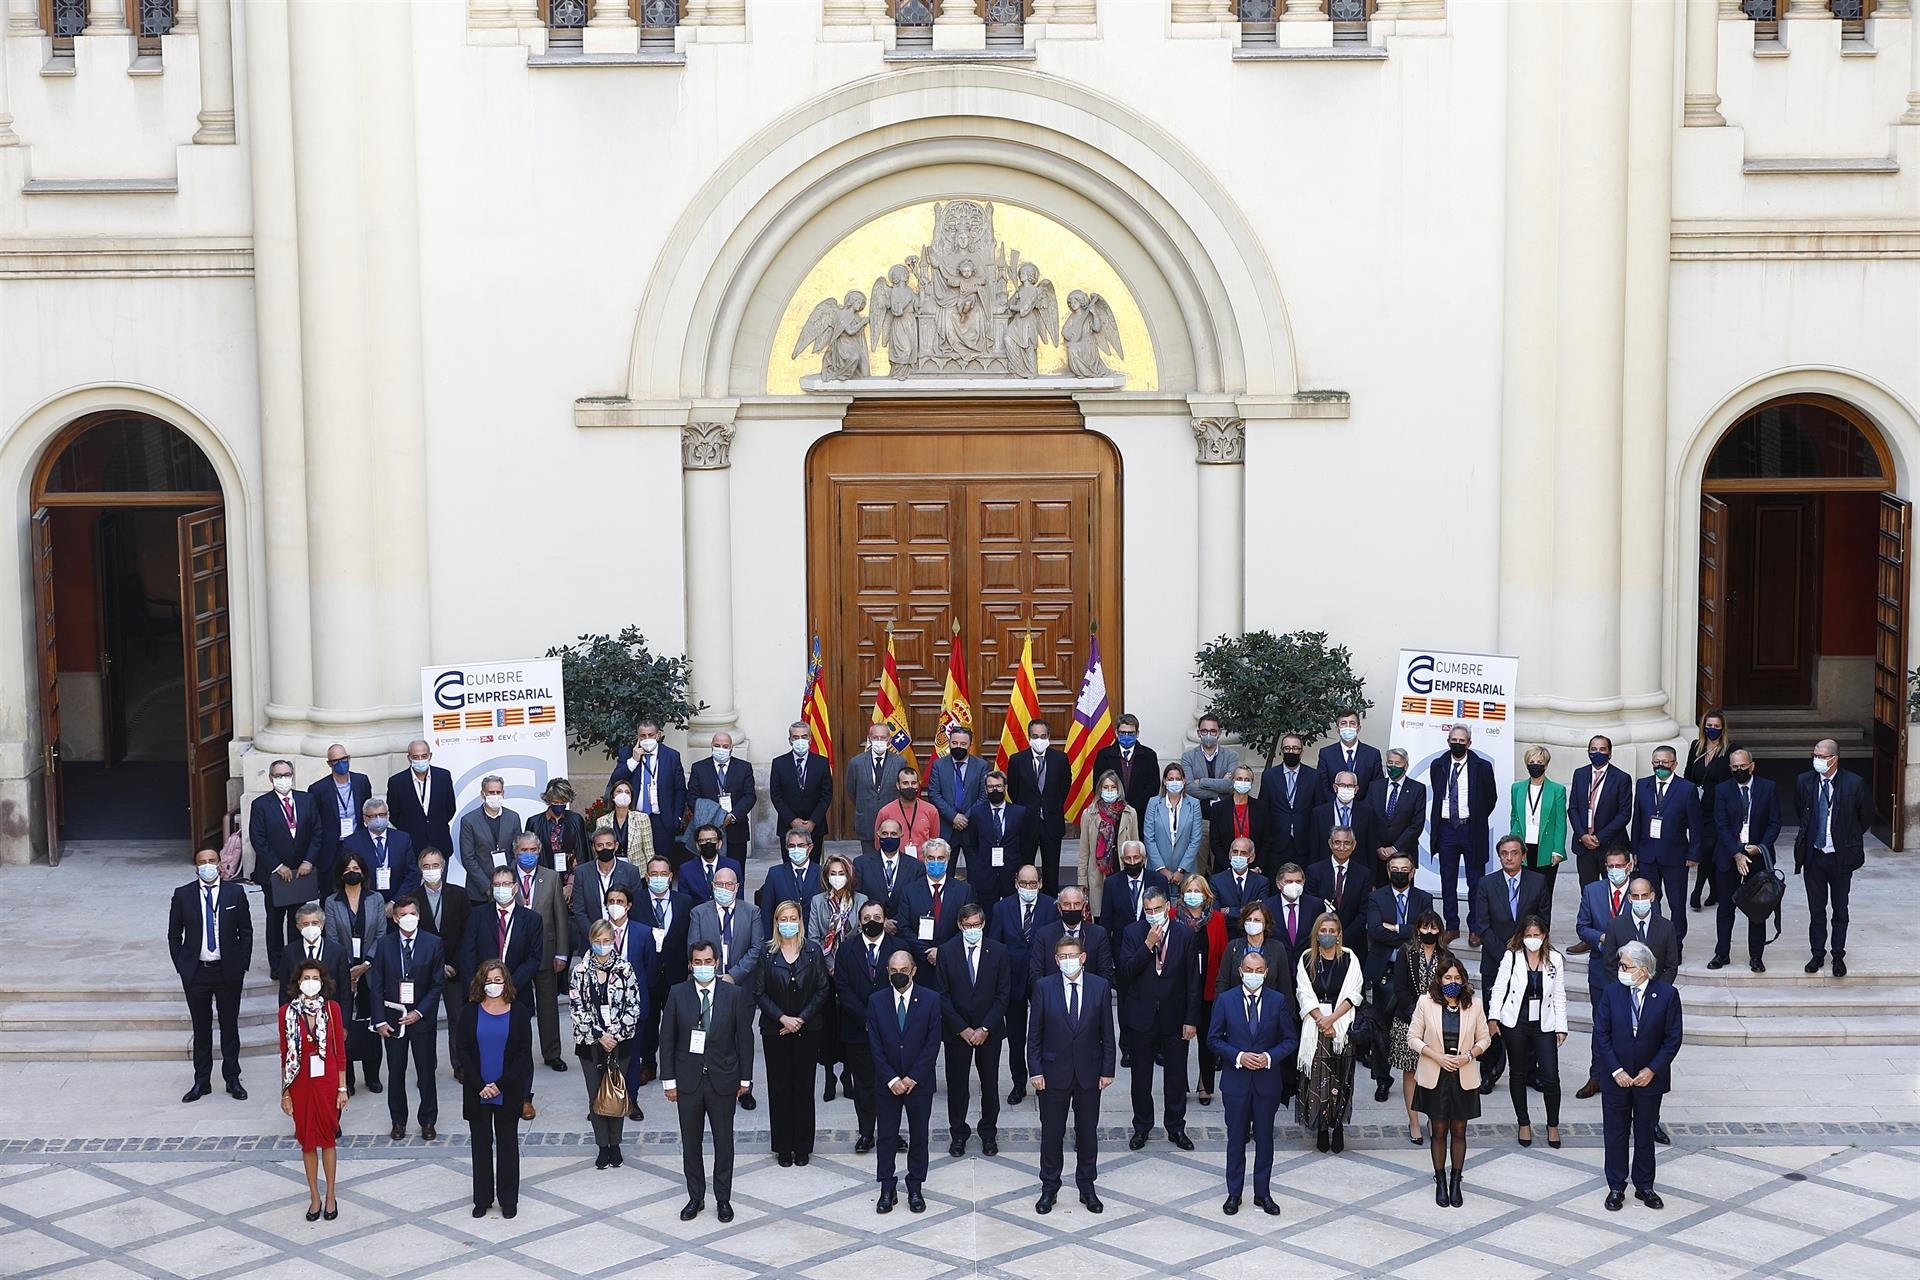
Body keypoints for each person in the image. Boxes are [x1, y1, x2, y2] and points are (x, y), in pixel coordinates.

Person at [661, 941, 755, 1222]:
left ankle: (723, 1198)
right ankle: (695, 1196)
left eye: (708, 961)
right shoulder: (678, 994)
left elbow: (744, 1040)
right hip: (688, 1081)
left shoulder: (733, 994)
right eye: (697, 962)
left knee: (724, 1143)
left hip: (723, 1080)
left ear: (717, 963)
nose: (703, 967)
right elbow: (667, 1039)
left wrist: (745, 1078)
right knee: (691, 1143)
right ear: (691, 965)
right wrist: (669, 1081)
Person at [1027, 935, 1116, 1215]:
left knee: (1087, 1133)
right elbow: (1035, 1035)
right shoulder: (1043, 987)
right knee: (1051, 1133)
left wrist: (1107, 1070)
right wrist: (1036, 1070)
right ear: (1056, 960)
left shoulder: (1099, 987)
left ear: (1083, 958)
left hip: (1089, 1073)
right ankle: (1049, 1188)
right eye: (1062, 957)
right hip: (1053, 1074)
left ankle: (1087, 1187)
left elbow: (1107, 1033)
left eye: (1072, 956)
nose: (1068, 962)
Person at [1595, 940, 1683, 1212]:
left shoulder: (1667, 995)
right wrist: (1616, 1070)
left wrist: (1652, 1069)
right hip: (1616, 1078)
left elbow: (1672, 1038)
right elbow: (1602, 1034)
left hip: (1649, 1079)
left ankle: (1644, 1185)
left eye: (1626, 966)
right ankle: (1616, 1186)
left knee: (1644, 1133)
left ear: (1643, 970)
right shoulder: (1612, 992)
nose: (1621, 969)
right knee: (1615, 1133)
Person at [1209, 950, 1298, 1216]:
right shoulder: (1225, 1000)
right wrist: (1238, 1057)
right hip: (1236, 1083)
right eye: (1249, 970)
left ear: (1266, 972)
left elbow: (1289, 1039)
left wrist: (1269, 1058)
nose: (1254, 975)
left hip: (1266, 1083)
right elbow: (1213, 1039)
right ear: (1240, 971)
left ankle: (1263, 1193)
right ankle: (1233, 1193)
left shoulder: (1277, 1000)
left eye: (1259, 971)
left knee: (1264, 1139)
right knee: (1236, 1139)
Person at [1118, 886, 1202, 1150]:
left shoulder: (1185, 934)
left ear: (1168, 906)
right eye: (1148, 910)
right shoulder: (1132, 932)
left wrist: (1191, 1019)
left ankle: (1176, 1127)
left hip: (1174, 1017)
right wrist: (1147, 946)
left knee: (1176, 1076)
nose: (1153, 915)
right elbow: (1126, 971)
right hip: (1141, 1017)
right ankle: (1142, 1127)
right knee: (1141, 1077)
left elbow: (1193, 981)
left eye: (1157, 909)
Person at [169, 846, 254, 1102]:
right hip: (197, 972)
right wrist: (183, 967)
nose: (207, 865)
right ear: (196, 867)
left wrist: (242, 964)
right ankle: (201, 1081)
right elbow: (174, 935)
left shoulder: (234, 893)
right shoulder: (183, 895)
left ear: (219, 863)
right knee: (201, 1028)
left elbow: (246, 931)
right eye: (202, 862)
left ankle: (232, 1078)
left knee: (229, 1026)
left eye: (211, 860)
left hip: (227, 970)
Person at [1407, 953, 1491, 1206]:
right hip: (1436, 1074)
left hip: (1463, 1074)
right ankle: (1440, 1180)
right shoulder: (1425, 1002)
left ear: (1463, 980)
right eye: (1447, 977)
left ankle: (1456, 1180)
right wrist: (1437, 1056)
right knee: (1439, 1130)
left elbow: (1485, 1039)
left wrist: (1467, 1056)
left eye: (1457, 977)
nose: (1452, 981)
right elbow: (1413, 1037)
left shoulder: (1474, 1004)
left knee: (1459, 1130)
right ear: (1439, 979)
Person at [462, 866, 545, 1119]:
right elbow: (468, 952)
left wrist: (508, 986)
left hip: (517, 994)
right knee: (488, 1046)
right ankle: (486, 1089)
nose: (501, 888)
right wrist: (480, 988)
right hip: (483, 995)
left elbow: (533, 958)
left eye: (506, 883)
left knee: (520, 1049)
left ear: (515, 887)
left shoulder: (531, 919)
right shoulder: (477, 916)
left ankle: (523, 1098)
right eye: (496, 883)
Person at [455, 960, 535, 1220]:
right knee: (480, 1145)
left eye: (498, 980)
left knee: (508, 1145)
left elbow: (523, 1055)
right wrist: (481, 1085)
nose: (493, 985)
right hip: (477, 1091)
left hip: (507, 1090)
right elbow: (463, 1050)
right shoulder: (469, 1012)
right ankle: (482, 1199)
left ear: (506, 982)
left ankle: (508, 1199)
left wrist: (499, 1085)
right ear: (481, 983)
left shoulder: (519, 1012)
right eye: (488, 980)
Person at [755, 899, 829, 1166]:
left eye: (792, 919)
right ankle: (783, 1146)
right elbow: (759, 991)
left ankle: (803, 1145)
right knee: (779, 1088)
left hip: (807, 1029)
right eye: (782, 919)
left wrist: (801, 1018)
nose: (788, 924)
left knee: (803, 1086)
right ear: (776, 923)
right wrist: (782, 1018)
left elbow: (823, 989)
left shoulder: (812, 951)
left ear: (800, 921)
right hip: (775, 1030)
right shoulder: (767, 953)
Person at [870, 948, 942, 1214]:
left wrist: (912, 1078)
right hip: (887, 1084)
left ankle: (915, 1186)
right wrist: (891, 1079)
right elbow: (875, 1045)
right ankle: (887, 1187)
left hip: (918, 1084)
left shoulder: (931, 999)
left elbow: (932, 1044)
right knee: (887, 1136)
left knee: (919, 1136)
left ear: (913, 970)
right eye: (893, 971)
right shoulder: (877, 1001)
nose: (898, 975)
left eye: (903, 970)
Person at [1795, 738, 1873, 977]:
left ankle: (1838, 954)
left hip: (1840, 858)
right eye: (1815, 755)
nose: (1816, 760)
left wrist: (1846, 838)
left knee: (1840, 909)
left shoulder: (1853, 783)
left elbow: (1865, 816)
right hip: (1814, 856)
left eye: (1821, 756)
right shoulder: (1805, 781)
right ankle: (1817, 953)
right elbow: (1802, 812)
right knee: (1816, 910)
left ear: (1834, 759)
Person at [1488, 914, 1568, 1148]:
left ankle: (1552, 1124)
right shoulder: (1511, 957)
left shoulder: (1554, 959)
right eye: (1528, 935)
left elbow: (1560, 995)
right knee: (1518, 1073)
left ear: (1544, 936)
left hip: (1544, 1023)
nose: (1533, 939)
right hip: (1516, 1022)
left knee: (1551, 1076)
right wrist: (1494, 1018)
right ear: (1522, 936)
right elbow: (1499, 988)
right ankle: (1523, 1122)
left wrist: (1561, 1027)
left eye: (1537, 935)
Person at [836, 900, 908, 1154]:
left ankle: (892, 1132)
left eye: (877, 917)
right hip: (858, 1029)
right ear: (859, 921)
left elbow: (903, 987)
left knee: (892, 1081)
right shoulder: (846, 949)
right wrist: (866, 1018)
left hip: (892, 1030)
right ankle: (866, 1132)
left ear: (885, 919)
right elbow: (843, 989)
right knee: (864, 1084)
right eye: (867, 918)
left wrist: (883, 1020)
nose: (872, 922)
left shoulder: (898, 948)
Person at [939, 903, 1011, 1157]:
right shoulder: (947, 952)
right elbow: (943, 996)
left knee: (989, 1084)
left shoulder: (999, 951)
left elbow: (1003, 995)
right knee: (957, 1086)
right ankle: (958, 1133)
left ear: (983, 924)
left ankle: (988, 1133)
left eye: (977, 925)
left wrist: (984, 1028)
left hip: (988, 1032)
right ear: (960, 925)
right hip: (956, 1033)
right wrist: (962, 1029)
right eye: (968, 926)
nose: (973, 930)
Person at [368, 896, 442, 1141]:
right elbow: (376, 984)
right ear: (396, 917)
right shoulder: (385, 944)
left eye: (413, 913)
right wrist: (379, 1020)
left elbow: (436, 984)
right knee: (396, 1072)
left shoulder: (433, 943)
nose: (408, 918)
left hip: (421, 1019)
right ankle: (398, 1121)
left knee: (425, 1072)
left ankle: (428, 1120)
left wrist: (419, 1012)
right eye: (403, 914)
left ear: (419, 915)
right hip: (393, 1022)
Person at [280, 958, 347, 1221]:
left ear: (323, 982)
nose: (310, 983)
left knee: (328, 1137)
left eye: (315, 978)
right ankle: (314, 1196)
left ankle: (330, 1194)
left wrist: (342, 1088)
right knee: (307, 1140)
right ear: (298, 983)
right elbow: (285, 1054)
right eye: (306, 978)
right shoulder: (286, 1012)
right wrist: (284, 1092)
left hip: (327, 1081)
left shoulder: (332, 1009)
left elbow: (339, 1052)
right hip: (300, 1082)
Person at [1363, 851, 1434, 1102]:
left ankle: (1420, 1077)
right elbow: (1374, 931)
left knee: (1415, 1028)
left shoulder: (1424, 898)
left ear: (1413, 871)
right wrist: (1407, 931)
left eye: (1405, 868)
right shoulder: (1376, 897)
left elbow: (1426, 931)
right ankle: (1383, 1079)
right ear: (1388, 871)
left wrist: (1393, 928)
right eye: (1395, 868)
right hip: (1386, 973)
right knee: (1382, 1030)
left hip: (1416, 974)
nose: (1399, 872)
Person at [572, 919, 643, 1169]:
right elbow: (577, 1008)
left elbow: (633, 1007)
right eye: (597, 941)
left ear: (614, 941)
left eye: (606, 941)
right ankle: (602, 1146)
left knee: (616, 1092)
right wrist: (599, 1034)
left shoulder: (625, 969)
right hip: (590, 1044)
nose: (602, 946)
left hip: (619, 1043)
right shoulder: (580, 971)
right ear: (591, 942)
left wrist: (614, 1035)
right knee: (596, 1096)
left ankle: (616, 1145)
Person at [1294, 911, 1363, 1153]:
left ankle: (1339, 1126)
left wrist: (1333, 1019)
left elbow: (1354, 993)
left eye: (1331, 931)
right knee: (1317, 1077)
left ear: (1339, 934)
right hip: (1316, 1025)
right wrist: (1321, 1020)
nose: (1327, 935)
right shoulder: (1306, 958)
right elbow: (1303, 992)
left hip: (1341, 1026)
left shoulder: (1349, 958)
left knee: (1341, 1077)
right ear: (1316, 933)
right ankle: (1322, 1126)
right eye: (1322, 931)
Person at [989, 865, 1058, 1104]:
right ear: (1016, 883)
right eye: (1023, 883)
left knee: (1045, 1033)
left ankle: (1044, 1080)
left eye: (1033, 883)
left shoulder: (1051, 907)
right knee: (1017, 1036)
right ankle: (1019, 1083)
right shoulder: (1002, 908)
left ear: (1040, 884)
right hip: (1012, 980)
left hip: (1043, 980)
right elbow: (995, 946)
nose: (1028, 887)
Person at [249, 759, 320, 981]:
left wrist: (308, 861)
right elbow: (258, 839)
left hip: (301, 873)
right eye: (278, 775)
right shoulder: (261, 805)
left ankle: (298, 963)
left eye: (287, 774)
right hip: (274, 875)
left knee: (297, 919)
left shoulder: (307, 800)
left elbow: (317, 832)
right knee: (275, 919)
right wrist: (278, 866)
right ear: (271, 778)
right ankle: (278, 965)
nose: (283, 779)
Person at [323, 849, 387, 1095]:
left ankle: (372, 1076)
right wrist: (348, 969)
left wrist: (366, 965)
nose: (353, 873)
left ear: (364, 872)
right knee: (345, 1023)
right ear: (341, 874)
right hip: (343, 972)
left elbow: (381, 935)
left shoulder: (376, 899)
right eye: (348, 869)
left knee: (372, 1023)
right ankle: (347, 1078)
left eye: (356, 869)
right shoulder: (331, 901)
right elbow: (332, 937)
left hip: (371, 970)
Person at [506, 832, 571, 1074]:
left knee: (548, 1006)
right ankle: (516, 1052)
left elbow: (560, 917)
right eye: (524, 850)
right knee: (516, 1006)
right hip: (515, 955)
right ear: (515, 852)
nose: (529, 854)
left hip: (546, 951)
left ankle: (552, 1053)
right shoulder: (506, 877)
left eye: (533, 850)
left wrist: (562, 953)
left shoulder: (551, 877)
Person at [1711, 749, 1781, 972]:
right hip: (1729, 856)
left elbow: (1774, 822)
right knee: (1725, 908)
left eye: (1742, 766)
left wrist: (1759, 848)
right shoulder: (1722, 790)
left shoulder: (1768, 787)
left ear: (1752, 765)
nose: (1739, 770)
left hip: (1757, 856)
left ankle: (1756, 956)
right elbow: (1720, 824)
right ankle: (1722, 953)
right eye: (1734, 767)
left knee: (1757, 909)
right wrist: (1737, 853)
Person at [1629, 746, 1703, 955]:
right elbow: (1638, 820)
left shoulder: (1686, 788)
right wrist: (1634, 850)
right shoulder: (1643, 785)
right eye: (1656, 762)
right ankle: (1654, 943)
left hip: (1676, 857)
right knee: (1650, 902)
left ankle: (1676, 946)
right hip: (1647, 855)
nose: (1660, 766)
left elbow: (1695, 825)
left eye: (1665, 762)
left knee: (1677, 904)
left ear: (1674, 764)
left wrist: (1694, 854)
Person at [1573, 848, 1634, 1099]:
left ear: (1629, 866)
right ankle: (1596, 1075)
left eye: (1619, 866)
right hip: (1600, 970)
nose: (1614, 871)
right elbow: (1582, 926)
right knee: (1601, 1024)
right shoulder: (1593, 891)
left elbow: (1653, 927)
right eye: (1610, 866)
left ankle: (1627, 1074)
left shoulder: (1640, 891)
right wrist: (1600, 938)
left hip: (1631, 971)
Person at [1428, 725, 1496, 945]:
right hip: (1447, 829)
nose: (1457, 743)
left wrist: (1474, 818)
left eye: (1462, 740)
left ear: (1469, 743)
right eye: (1453, 739)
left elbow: (1490, 798)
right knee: (1447, 880)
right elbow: (1438, 793)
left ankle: (1475, 928)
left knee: (1475, 881)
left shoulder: (1482, 766)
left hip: (1470, 829)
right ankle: (1452, 926)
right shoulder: (1438, 765)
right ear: (1448, 741)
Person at [408, 849, 469, 1081]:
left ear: (443, 867)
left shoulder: (459, 895)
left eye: (435, 865)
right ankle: (426, 1068)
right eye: (427, 866)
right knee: (424, 1022)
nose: (431, 870)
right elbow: (411, 936)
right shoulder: (412, 898)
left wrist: (452, 964)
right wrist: (436, 965)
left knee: (458, 1019)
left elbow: (467, 934)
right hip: (424, 970)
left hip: (455, 970)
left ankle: (460, 1065)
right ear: (420, 868)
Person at [1389, 910, 1447, 1145]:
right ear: (1417, 929)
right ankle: (1413, 1121)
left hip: (1438, 1023)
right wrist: (1418, 1015)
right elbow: (1400, 987)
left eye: (1434, 928)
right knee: (1411, 1072)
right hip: (1409, 1020)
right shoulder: (1406, 952)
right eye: (1425, 928)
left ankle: (1434, 1118)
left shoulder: (1446, 955)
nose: (1429, 932)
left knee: (1436, 1073)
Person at [636, 855, 693, 1086]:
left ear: (670, 877)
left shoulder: (684, 902)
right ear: (647, 876)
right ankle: (648, 1064)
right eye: (654, 874)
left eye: (663, 874)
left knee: (676, 1023)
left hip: (675, 972)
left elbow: (689, 936)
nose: (658, 878)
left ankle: (674, 1066)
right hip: (647, 971)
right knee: (648, 1022)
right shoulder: (636, 901)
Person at [1473, 835, 1550, 997]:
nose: (1509, 858)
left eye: (1514, 853)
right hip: (1494, 961)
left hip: (1530, 958)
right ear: (1499, 856)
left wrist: (1525, 952)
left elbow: (1543, 921)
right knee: (1494, 1014)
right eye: (1504, 853)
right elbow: (1482, 925)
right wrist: (1506, 956)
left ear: (1523, 855)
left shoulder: (1538, 882)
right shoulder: (1486, 884)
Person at [1178, 874, 1229, 1107]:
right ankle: (1179, 1085)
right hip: (1180, 991)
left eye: (1198, 891)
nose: (1193, 895)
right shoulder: (1172, 917)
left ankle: (1205, 1085)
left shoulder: (1217, 919)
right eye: (1189, 890)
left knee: (1208, 1041)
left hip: (1209, 988)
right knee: (1178, 1041)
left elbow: (1222, 956)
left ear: (1206, 895)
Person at [1006, 718, 1072, 895]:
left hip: (1052, 822)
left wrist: (1049, 807)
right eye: (1035, 736)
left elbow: (1064, 788)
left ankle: (1050, 905)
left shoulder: (1060, 759)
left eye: (1043, 736)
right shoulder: (1017, 760)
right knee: (1025, 866)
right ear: (1029, 737)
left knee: (1052, 869)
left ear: (1049, 736)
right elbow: (1014, 791)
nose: (1039, 739)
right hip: (1027, 823)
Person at [604, 720, 687, 856]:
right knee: (636, 862)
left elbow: (680, 789)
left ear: (658, 735)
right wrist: (634, 760)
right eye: (643, 736)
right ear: (637, 736)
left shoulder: (671, 756)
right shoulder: (627, 753)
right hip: (635, 818)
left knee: (661, 861)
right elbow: (616, 780)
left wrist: (676, 818)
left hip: (662, 819)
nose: (647, 739)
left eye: (651, 735)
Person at [1569, 736, 1634, 895]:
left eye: (1602, 749)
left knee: (1613, 893)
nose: (1597, 753)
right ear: (1588, 752)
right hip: (1584, 846)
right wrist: (1583, 835)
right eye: (1593, 749)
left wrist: (1599, 837)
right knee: (1588, 892)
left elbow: (1624, 814)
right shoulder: (1580, 774)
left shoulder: (1621, 778)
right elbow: (1573, 808)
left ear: (1610, 753)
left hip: (1611, 847)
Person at [1685, 710, 1736, 911]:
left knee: (1707, 849)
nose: (1712, 729)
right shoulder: (1696, 747)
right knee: (1707, 849)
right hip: (1698, 808)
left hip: (1719, 810)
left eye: (1716, 726)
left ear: (1722, 728)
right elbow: (1689, 775)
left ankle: (1697, 891)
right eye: (1709, 725)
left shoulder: (1730, 750)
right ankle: (1715, 890)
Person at [1305, 827, 1373, 975]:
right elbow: (1311, 908)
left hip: (1353, 944)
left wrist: (1342, 938)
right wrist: (1326, 935)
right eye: (1337, 842)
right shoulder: (1314, 871)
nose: (1341, 847)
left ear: (1354, 845)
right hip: (1321, 943)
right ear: (1330, 844)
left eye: (1346, 843)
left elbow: (1364, 912)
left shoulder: (1364, 874)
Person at [1509, 745, 1568, 914]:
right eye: (1531, 761)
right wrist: (1513, 843)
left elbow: (1560, 823)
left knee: (1544, 892)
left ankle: (1542, 933)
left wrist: (1558, 850)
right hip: (1523, 846)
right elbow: (1514, 817)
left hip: (1546, 847)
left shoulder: (1557, 790)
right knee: (1522, 892)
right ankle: (1522, 932)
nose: (1535, 765)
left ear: (1546, 765)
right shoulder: (1516, 788)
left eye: (1539, 762)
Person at [901, 838, 974, 969]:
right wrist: (927, 952)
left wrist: (942, 951)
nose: (936, 862)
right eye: (931, 858)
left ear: (947, 859)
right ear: (924, 859)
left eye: (940, 858)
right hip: (920, 962)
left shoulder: (963, 890)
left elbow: (967, 926)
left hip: (953, 961)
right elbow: (904, 927)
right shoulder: (909, 891)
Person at [1260, 734, 1327, 875]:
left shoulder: (1314, 776)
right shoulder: (1269, 776)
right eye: (1287, 748)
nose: (1291, 752)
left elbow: (1320, 809)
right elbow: (1263, 809)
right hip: (1276, 843)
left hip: (1304, 843)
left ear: (1302, 751)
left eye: (1296, 748)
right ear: (1281, 751)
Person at [309, 743, 372, 892]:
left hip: (358, 842)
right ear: (329, 764)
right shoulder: (318, 789)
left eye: (344, 759)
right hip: (331, 847)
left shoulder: (361, 781)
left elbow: (366, 808)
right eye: (336, 761)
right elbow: (315, 821)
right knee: (330, 891)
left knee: (360, 888)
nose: (341, 763)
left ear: (349, 758)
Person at [388, 740, 455, 877]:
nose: (420, 760)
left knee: (440, 888)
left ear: (430, 755)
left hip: (440, 843)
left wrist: (435, 824)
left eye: (424, 756)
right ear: (409, 758)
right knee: (413, 890)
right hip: (412, 847)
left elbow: (450, 808)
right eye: (416, 757)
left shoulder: (443, 776)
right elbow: (394, 814)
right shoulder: (397, 782)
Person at [687, 732, 756, 866]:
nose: (721, 749)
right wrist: (712, 817)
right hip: (707, 831)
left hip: (736, 831)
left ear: (731, 748)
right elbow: (692, 797)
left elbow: (749, 796)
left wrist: (732, 816)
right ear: (712, 746)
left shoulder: (744, 767)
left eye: (725, 746)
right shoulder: (699, 768)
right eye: (717, 745)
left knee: (736, 872)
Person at [966, 768, 1029, 912]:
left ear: (1005, 788)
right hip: (986, 873)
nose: (995, 790)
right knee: (987, 914)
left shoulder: (1019, 812)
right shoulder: (976, 813)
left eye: (998, 786)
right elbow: (974, 842)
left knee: (1011, 913)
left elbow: (1025, 843)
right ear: (986, 789)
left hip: (1011, 871)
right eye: (991, 787)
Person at [1078, 769, 1138, 918]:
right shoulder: (1089, 814)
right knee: (1100, 915)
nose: (1109, 791)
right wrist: (1082, 878)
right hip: (1098, 871)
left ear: (1119, 790)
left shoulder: (1129, 813)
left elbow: (1137, 845)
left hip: (1122, 868)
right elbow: (1084, 849)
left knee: (1122, 914)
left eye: (1113, 787)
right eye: (1106, 787)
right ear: (1100, 789)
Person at [1183, 714, 1242, 864]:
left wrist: (1201, 781)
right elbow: (1189, 787)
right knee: (1199, 863)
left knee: (1222, 862)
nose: (1208, 735)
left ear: (1219, 733)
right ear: (1198, 733)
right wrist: (1218, 789)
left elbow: (1231, 786)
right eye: (1204, 731)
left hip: (1225, 818)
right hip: (1199, 818)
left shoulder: (1231, 756)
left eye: (1212, 731)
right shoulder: (1188, 757)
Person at [573, 829, 645, 950]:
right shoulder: (582, 872)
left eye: (609, 844)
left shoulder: (631, 871)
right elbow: (579, 910)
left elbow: (636, 906)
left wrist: (623, 934)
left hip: (624, 940)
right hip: (592, 941)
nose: (605, 848)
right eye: (600, 845)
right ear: (593, 848)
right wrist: (595, 936)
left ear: (616, 846)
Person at [342, 795, 417, 907]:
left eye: (382, 815)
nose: (378, 819)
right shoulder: (352, 843)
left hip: (398, 903)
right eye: (373, 816)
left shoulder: (402, 839)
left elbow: (412, 873)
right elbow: (349, 876)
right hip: (365, 904)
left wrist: (395, 902)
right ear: (365, 818)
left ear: (388, 815)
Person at [459, 775, 524, 903]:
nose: (495, 795)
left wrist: (506, 881)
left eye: (498, 792)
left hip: (508, 888)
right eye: (491, 792)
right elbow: (468, 858)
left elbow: (517, 852)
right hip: (479, 891)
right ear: (483, 794)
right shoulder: (469, 820)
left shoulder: (513, 817)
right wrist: (488, 888)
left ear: (503, 793)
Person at [1031, 886, 1113, 986]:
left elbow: (1105, 973)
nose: (1072, 908)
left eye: (1077, 904)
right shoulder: (1044, 935)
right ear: (1059, 907)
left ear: (1084, 907)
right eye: (1067, 904)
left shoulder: (1098, 934)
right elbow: (1036, 974)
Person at [695, 865, 764, 984]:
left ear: (736, 887)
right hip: (708, 982)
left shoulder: (752, 912)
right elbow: (694, 947)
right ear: (713, 886)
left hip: (743, 984)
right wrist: (714, 976)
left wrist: (734, 975)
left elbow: (756, 948)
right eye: (719, 884)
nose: (724, 888)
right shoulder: (698, 913)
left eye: (729, 884)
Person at [848, 723, 908, 857]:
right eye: (875, 737)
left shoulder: (899, 762)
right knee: (869, 863)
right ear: (869, 738)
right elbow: (852, 790)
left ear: (889, 739)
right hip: (866, 821)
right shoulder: (856, 763)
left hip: (892, 822)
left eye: (883, 737)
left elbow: (902, 790)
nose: (879, 741)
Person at [770, 721, 832, 847]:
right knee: (788, 865)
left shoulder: (822, 763)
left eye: (804, 737)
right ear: (790, 740)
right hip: (787, 826)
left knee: (813, 865)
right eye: (796, 737)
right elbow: (776, 795)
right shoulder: (779, 763)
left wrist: (813, 821)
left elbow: (826, 794)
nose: (800, 741)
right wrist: (792, 820)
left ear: (810, 739)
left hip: (814, 827)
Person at [1092, 713, 1160, 827]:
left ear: (1137, 734)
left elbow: (1153, 786)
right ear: (1117, 733)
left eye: (1131, 733)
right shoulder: (1104, 755)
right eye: (1123, 733)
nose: (1126, 736)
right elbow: (1098, 785)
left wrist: (1132, 806)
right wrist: (1117, 806)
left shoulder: (1149, 755)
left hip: (1140, 814)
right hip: (1111, 814)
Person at [1309, 771, 1385, 872]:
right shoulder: (1319, 813)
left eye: (1350, 786)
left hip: (1358, 871)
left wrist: (1372, 881)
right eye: (1342, 785)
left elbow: (1370, 848)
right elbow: (1314, 848)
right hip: (1325, 871)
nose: (1346, 789)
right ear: (1335, 787)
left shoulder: (1367, 813)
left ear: (1356, 789)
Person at [855, 818, 925, 927]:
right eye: (884, 833)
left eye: (893, 834)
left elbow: (917, 901)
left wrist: (896, 923)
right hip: (871, 927)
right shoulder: (861, 864)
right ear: (877, 835)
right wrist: (881, 921)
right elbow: (857, 897)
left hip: (903, 929)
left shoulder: (916, 867)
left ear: (901, 835)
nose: (889, 837)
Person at [1144, 763, 1203, 891]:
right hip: (1157, 870)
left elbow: (1195, 839)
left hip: (1186, 871)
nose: (1174, 782)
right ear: (1164, 781)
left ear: (1184, 780)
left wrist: (1181, 870)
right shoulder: (1153, 803)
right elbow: (1149, 838)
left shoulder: (1194, 804)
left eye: (1178, 779)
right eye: (1170, 779)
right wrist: (1162, 869)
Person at [928, 725, 988, 848]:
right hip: (946, 827)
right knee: (946, 867)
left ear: (970, 745)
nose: (958, 747)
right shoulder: (938, 765)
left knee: (975, 867)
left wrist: (964, 818)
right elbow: (934, 795)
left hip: (972, 827)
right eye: (954, 743)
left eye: (963, 743)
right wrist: (953, 816)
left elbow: (984, 796)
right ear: (949, 742)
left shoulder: (981, 766)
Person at [283, 902, 351, 1008]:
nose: (310, 927)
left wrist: (345, 1023)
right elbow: (284, 990)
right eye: (305, 924)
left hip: (330, 1011)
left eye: (314, 923)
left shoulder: (338, 951)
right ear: (298, 927)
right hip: (299, 1013)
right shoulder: (288, 952)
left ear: (322, 925)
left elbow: (345, 991)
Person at [760, 828, 825, 933]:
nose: (796, 849)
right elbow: (766, 912)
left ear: (810, 847)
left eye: (801, 845)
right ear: (786, 848)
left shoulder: (822, 873)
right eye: (791, 846)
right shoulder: (775, 874)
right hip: (783, 937)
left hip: (814, 938)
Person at [1370, 749, 1427, 865]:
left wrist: (1395, 848)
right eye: (1390, 763)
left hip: (1404, 855)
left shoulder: (1417, 789)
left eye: (1397, 763)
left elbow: (1416, 824)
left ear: (1406, 766)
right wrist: (1378, 847)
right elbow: (1368, 819)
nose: (1393, 766)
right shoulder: (1375, 787)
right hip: (1377, 855)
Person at [525, 778, 587, 880]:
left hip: (571, 879)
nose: (559, 805)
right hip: (544, 877)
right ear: (548, 800)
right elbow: (530, 855)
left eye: (562, 802)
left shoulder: (576, 820)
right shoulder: (534, 822)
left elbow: (581, 853)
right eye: (555, 802)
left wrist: (573, 881)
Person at [875, 766, 941, 862]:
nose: (910, 786)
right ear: (898, 785)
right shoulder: (885, 812)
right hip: (896, 864)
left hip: (923, 865)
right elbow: (878, 844)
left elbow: (934, 841)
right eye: (905, 783)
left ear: (918, 785)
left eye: (913, 783)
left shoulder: (931, 811)